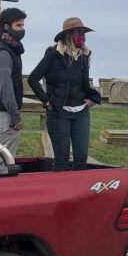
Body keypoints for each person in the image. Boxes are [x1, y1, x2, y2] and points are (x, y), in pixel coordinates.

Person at [28, 17, 102, 171]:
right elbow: (33, 79)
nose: (82, 36)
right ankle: (62, 193)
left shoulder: (83, 55)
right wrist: (47, 101)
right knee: (62, 160)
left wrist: (91, 100)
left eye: (83, 32)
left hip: (81, 112)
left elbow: (82, 83)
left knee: (81, 158)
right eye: (78, 32)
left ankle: (79, 193)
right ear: (68, 34)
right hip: (59, 113)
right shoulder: (53, 54)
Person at [0, 7, 27, 155]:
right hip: (4, 117)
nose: (22, 29)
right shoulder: (3, 52)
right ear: (7, 27)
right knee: (1, 164)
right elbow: (6, 88)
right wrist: (16, 117)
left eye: (23, 25)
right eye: (18, 25)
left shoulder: (11, 48)